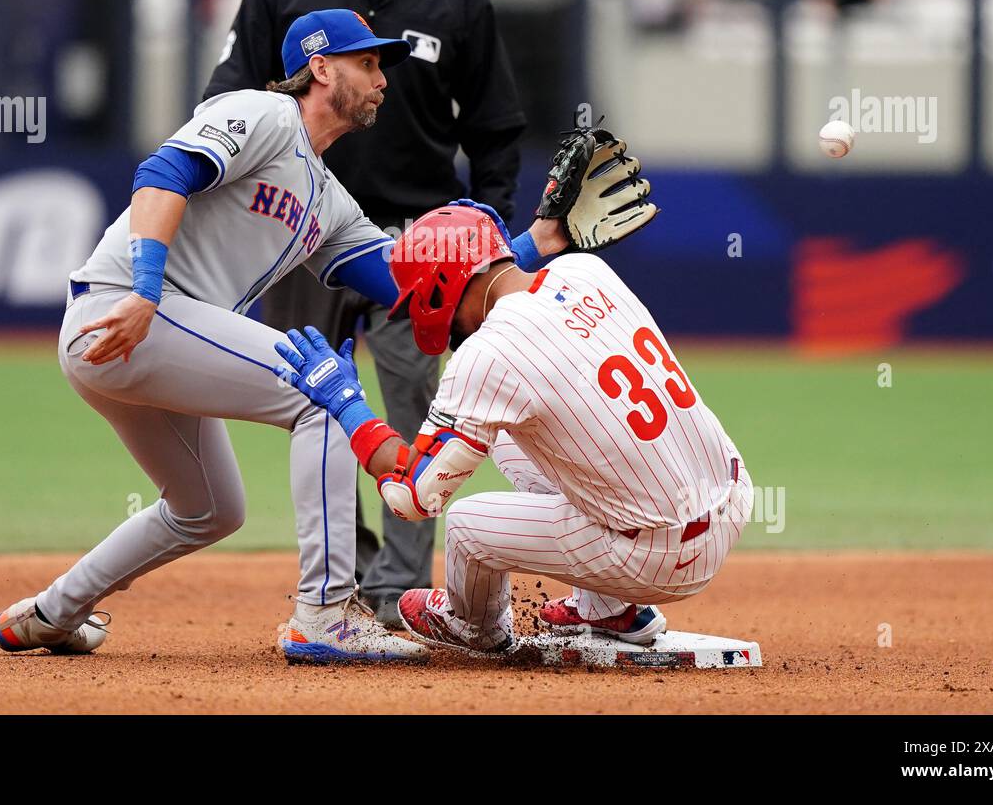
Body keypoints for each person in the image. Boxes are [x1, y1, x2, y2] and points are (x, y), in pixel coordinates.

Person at [0, 9, 433, 664]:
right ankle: (328, 615)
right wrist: (144, 287)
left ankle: (53, 612)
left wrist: (533, 246)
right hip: (125, 312)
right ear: (318, 67)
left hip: (156, 337)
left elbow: (420, 287)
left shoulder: (332, 200)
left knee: (208, 509)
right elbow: (161, 174)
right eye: (366, 63)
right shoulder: (264, 114)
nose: (381, 80)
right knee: (326, 396)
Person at [201, 0, 526, 627]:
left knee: (420, 416)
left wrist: (489, 230)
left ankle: (395, 595)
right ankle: (356, 570)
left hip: (420, 247)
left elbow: (495, 126)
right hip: (301, 237)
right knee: (315, 408)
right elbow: (229, 102)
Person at [273, 204, 753, 656]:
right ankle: (610, 611)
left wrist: (347, 406)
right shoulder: (583, 270)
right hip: (731, 498)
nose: (421, 309)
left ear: (443, 286)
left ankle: (475, 625)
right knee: (514, 436)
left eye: (421, 296)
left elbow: (412, 497)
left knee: (463, 525)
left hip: (657, 558)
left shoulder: (490, 353)